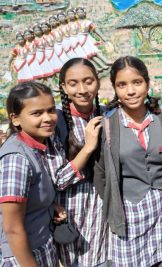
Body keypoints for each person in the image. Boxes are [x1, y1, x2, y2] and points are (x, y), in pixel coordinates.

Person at [93, 56, 162, 267]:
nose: (131, 91)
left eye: (137, 82)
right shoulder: (108, 125)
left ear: (147, 83)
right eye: (122, 85)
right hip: (130, 213)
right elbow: (100, 173)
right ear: (115, 88)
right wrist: (114, 204)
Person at [0, 82, 67, 266]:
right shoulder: (16, 158)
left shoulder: (36, 147)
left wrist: (48, 206)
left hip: (40, 248)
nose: (48, 118)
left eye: (51, 110)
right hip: (23, 257)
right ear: (15, 119)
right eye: (37, 113)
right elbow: (12, 228)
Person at [56, 58, 107, 267]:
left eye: (88, 81)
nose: (82, 89)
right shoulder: (56, 121)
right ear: (64, 87)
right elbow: (58, 179)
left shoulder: (108, 115)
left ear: (98, 82)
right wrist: (88, 148)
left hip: (103, 211)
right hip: (71, 211)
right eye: (73, 83)